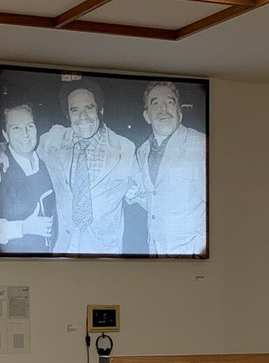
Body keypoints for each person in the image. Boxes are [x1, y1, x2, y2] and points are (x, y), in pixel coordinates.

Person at [35, 79, 142, 255]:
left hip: (104, 252)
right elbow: (22, 146)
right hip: (63, 247)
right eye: (75, 110)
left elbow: (146, 192)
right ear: (68, 116)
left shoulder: (125, 149)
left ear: (100, 111)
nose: (82, 116)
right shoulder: (53, 141)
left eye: (89, 108)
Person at [134, 81, 207, 256]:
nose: (163, 109)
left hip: (192, 254)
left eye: (170, 102)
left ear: (179, 113)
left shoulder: (199, 143)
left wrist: (201, 249)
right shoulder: (142, 151)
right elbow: (155, 199)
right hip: (155, 252)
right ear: (146, 115)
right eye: (155, 103)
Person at [0, 102, 54, 253]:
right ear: (5, 135)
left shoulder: (47, 162)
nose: (25, 134)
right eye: (16, 128)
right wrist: (23, 227)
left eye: (30, 126)